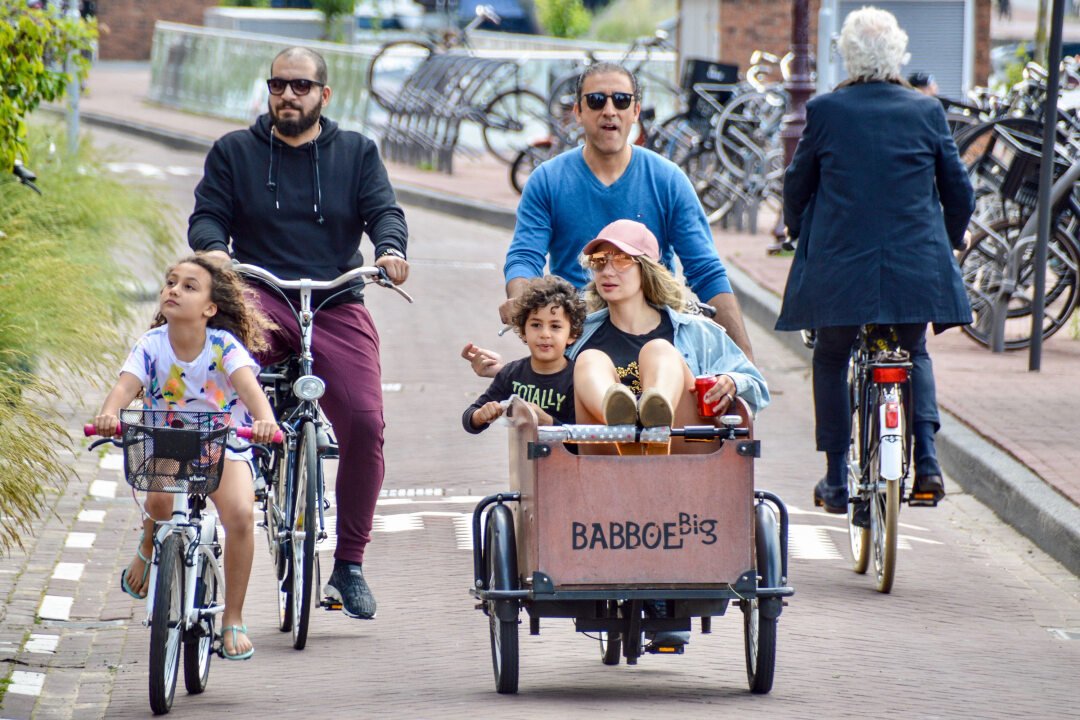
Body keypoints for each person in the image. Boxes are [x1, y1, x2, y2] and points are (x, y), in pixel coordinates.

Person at [187, 46, 409, 620]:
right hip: (259, 295)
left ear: (323, 95)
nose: (289, 95)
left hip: (335, 298)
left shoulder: (357, 152)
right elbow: (207, 214)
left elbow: (385, 212)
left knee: (364, 419)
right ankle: (234, 477)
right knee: (227, 391)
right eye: (279, 84)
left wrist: (389, 250)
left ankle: (350, 566)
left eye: (302, 86)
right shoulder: (234, 152)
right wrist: (213, 252)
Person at [775, 7, 974, 515]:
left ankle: (836, 478)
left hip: (841, 268)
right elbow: (959, 190)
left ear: (847, 55)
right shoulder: (925, 111)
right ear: (898, 55)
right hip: (915, 265)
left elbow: (797, 184)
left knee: (830, 356)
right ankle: (928, 464)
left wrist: (797, 230)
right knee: (915, 350)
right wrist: (950, 241)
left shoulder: (825, 111)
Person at [500, 61, 755, 361]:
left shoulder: (668, 179)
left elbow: (705, 269)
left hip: (654, 335)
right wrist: (521, 299)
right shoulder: (547, 179)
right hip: (579, 336)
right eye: (596, 101)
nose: (609, 110)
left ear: (635, 111)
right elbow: (524, 257)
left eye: (621, 100)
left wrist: (744, 360)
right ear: (578, 112)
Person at [93, 255, 279, 661]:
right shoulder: (151, 345)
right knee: (158, 503)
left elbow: (250, 392)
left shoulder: (223, 346)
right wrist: (109, 414)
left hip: (222, 441)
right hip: (169, 440)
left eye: (189, 286)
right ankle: (147, 547)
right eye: (170, 282)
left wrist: (265, 420)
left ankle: (232, 616)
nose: (173, 290)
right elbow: (125, 388)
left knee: (241, 515)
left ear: (210, 308)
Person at [569, 220, 768, 445]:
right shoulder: (578, 335)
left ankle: (655, 426)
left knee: (659, 351)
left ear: (646, 269)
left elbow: (758, 387)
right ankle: (623, 429)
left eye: (622, 260)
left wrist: (732, 381)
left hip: (679, 453)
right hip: (608, 457)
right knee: (589, 360)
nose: (607, 271)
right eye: (599, 261)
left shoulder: (695, 331)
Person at [463, 276, 584, 433]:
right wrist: (480, 416)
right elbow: (469, 419)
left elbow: (583, 438)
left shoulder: (578, 380)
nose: (545, 334)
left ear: (572, 334)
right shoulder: (511, 374)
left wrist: (548, 422)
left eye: (555, 326)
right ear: (523, 330)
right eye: (536, 325)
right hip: (521, 457)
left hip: (564, 458)